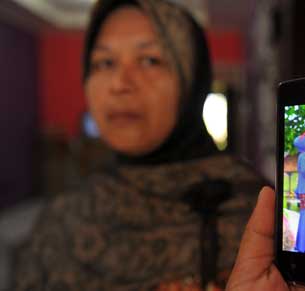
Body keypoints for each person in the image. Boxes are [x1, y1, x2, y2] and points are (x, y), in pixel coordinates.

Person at [12, 0, 264, 289]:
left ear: (191, 78)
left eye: (150, 60)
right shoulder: (66, 216)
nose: (120, 83)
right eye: (105, 63)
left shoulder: (259, 213)